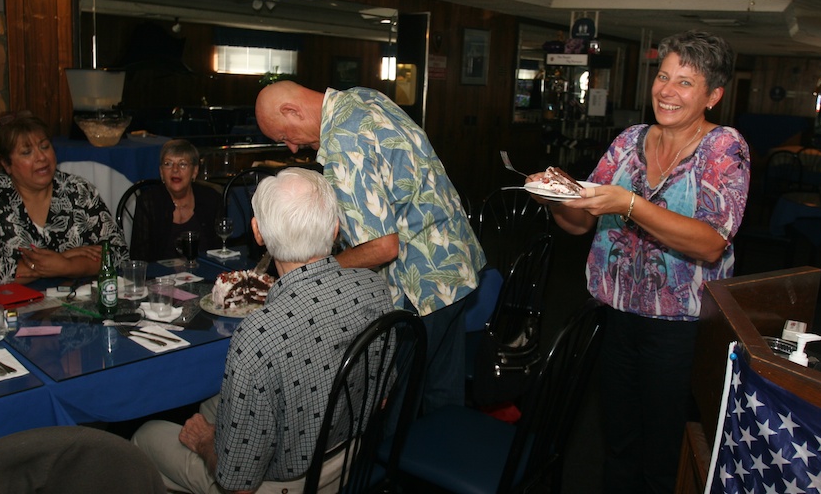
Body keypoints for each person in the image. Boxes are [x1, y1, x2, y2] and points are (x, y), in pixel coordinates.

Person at [529, 31, 750, 494]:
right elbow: (579, 225)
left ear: (713, 95)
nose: (667, 90)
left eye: (685, 83)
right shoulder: (630, 140)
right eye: (664, 76)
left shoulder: (723, 148)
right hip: (614, 315)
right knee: (619, 441)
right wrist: (555, 197)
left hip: (680, 327)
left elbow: (711, 244)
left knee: (664, 450)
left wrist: (629, 204)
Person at [132, 168, 392, 494]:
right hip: (351, 458)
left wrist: (205, 442)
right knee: (213, 403)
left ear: (257, 233)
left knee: (145, 434)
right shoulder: (376, 288)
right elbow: (379, 398)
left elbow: (238, 485)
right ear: (336, 227)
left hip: (284, 484)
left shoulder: (258, 333)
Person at [255, 81, 486, 413]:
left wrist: (316, 271)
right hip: (455, 261)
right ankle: (443, 455)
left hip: (423, 284)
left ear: (291, 110)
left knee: (397, 410)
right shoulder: (362, 97)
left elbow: (382, 247)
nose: (291, 148)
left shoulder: (343, 145)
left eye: (284, 136)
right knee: (442, 399)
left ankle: (395, 464)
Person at [0, 111, 128, 287]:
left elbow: (118, 254)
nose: (41, 158)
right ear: (6, 164)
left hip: (79, 306)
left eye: (44, 146)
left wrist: (66, 266)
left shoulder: (78, 190)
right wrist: (52, 264)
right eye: (26, 152)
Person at [130, 139, 222, 261]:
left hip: (204, 273)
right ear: (161, 172)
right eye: (168, 164)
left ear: (194, 171)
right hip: (160, 277)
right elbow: (139, 257)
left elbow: (219, 251)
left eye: (182, 164)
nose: (175, 170)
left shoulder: (211, 199)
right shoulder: (148, 202)